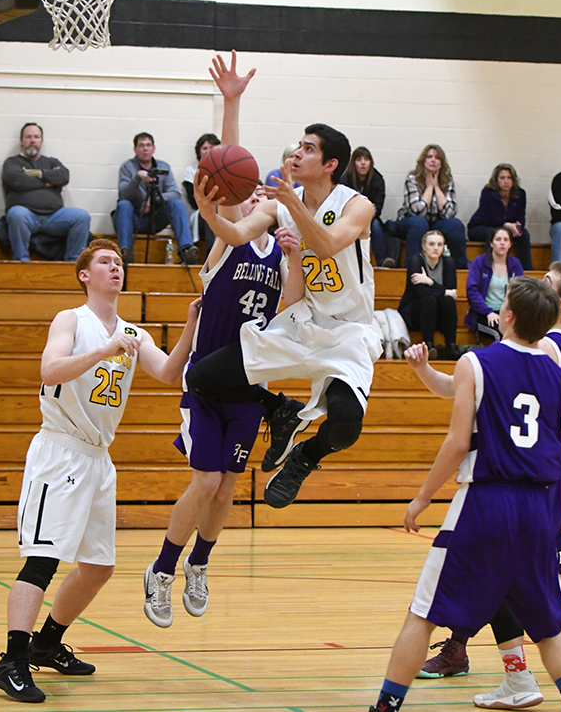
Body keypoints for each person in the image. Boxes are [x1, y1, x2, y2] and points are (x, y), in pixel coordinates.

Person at [369, 276, 561, 712]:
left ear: (507, 315)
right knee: (548, 628)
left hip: (486, 500)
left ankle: (385, 707)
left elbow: (456, 443)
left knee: (423, 614)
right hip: (541, 509)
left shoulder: (476, 362)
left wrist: (422, 497)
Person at [0, 239, 199, 703]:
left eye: (120, 263)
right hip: (60, 451)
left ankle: (47, 643)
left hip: (98, 458)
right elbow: (50, 370)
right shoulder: (72, 319)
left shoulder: (135, 332)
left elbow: (169, 372)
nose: (116, 267)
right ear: (85, 275)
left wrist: (191, 322)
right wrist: (104, 350)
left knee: (98, 567)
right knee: (44, 560)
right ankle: (10, 661)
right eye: (105, 262)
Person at [142, 69, 304, 628]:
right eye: (252, 188)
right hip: (206, 380)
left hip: (249, 383)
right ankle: (163, 568)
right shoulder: (228, 236)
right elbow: (228, 164)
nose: (257, 192)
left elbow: (290, 306)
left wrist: (298, 256)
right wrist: (231, 102)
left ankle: (200, 563)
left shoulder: (282, 251)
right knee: (205, 480)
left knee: (229, 483)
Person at [186, 50, 382, 510]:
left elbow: (330, 243)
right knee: (203, 377)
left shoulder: (358, 204)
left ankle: (305, 456)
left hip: (349, 330)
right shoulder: (281, 201)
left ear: (331, 164)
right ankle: (280, 410)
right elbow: (235, 233)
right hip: (300, 320)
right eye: (298, 145)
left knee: (346, 426)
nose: (298, 152)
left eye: (309, 148)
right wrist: (209, 208)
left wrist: (291, 206)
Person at [2, 122, 91, 262]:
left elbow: (63, 176)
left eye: (36, 137)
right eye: (28, 137)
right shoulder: (12, 163)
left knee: (82, 216)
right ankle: (21, 262)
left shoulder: (51, 162)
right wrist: (47, 181)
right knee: (16, 214)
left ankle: (73, 264)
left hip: (54, 217)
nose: (32, 141)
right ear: (21, 141)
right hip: (26, 216)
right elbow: (17, 180)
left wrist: (35, 173)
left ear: (41, 141)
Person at [113, 132, 199, 265]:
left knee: (177, 204)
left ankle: (186, 250)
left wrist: (154, 199)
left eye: (148, 145)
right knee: (123, 205)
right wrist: (138, 177)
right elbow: (123, 194)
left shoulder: (163, 167)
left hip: (156, 217)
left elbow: (175, 193)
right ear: (135, 149)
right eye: (141, 146)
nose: (145, 149)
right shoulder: (127, 167)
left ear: (154, 148)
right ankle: (125, 252)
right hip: (134, 217)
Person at [386, 144, 468, 269]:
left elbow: (450, 213)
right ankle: (412, 268)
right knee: (419, 222)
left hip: (435, 222)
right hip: (410, 222)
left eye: (437, 158)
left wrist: (436, 187)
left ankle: (460, 268)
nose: (433, 160)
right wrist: (429, 187)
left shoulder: (447, 181)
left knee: (455, 225)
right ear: (423, 161)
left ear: (442, 163)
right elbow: (417, 211)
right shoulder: (412, 179)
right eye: (429, 157)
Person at [397, 230, 459, 360]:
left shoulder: (449, 263)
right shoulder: (416, 261)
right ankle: (428, 345)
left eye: (439, 244)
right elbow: (421, 292)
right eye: (431, 244)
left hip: (437, 314)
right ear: (424, 246)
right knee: (429, 299)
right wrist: (443, 291)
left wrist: (429, 282)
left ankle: (451, 346)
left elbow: (452, 292)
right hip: (415, 313)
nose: (436, 248)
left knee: (448, 301)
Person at [468, 162, 532, 270]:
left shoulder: (520, 194)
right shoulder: (488, 193)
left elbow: (521, 215)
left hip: (508, 228)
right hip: (481, 226)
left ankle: (526, 270)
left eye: (509, 178)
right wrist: (506, 226)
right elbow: (488, 217)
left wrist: (518, 228)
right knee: (494, 234)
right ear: (496, 180)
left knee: (524, 234)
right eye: (502, 178)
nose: (506, 181)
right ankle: (489, 268)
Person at [465, 227, 523, 342]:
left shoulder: (515, 264)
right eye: (498, 239)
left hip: (508, 313)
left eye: (506, 240)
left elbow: (521, 291)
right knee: (502, 334)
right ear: (491, 243)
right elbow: (472, 291)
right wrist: (488, 312)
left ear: (510, 244)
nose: (502, 243)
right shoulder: (480, 262)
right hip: (484, 313)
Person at [340, 146, 392, 267]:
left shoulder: (378, 179)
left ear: (370, 162)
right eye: (359, 160)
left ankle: (382, 261)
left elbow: (378, 207)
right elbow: (342, 203)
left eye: (366, 159)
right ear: (354, 163)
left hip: (371, 217)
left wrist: (366, 214)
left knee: (376, 226)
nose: (363, 163)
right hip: (349, 217)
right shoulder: (345, 178)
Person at [183, 132, 220, 255]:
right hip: (201, 213)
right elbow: (194, 202)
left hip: (223, 210)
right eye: (205, 148)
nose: (208, 151)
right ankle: (212, 254)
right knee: (212, 210)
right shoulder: (192, 171)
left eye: (212, 147)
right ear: (199, 152)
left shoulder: (225, 170)